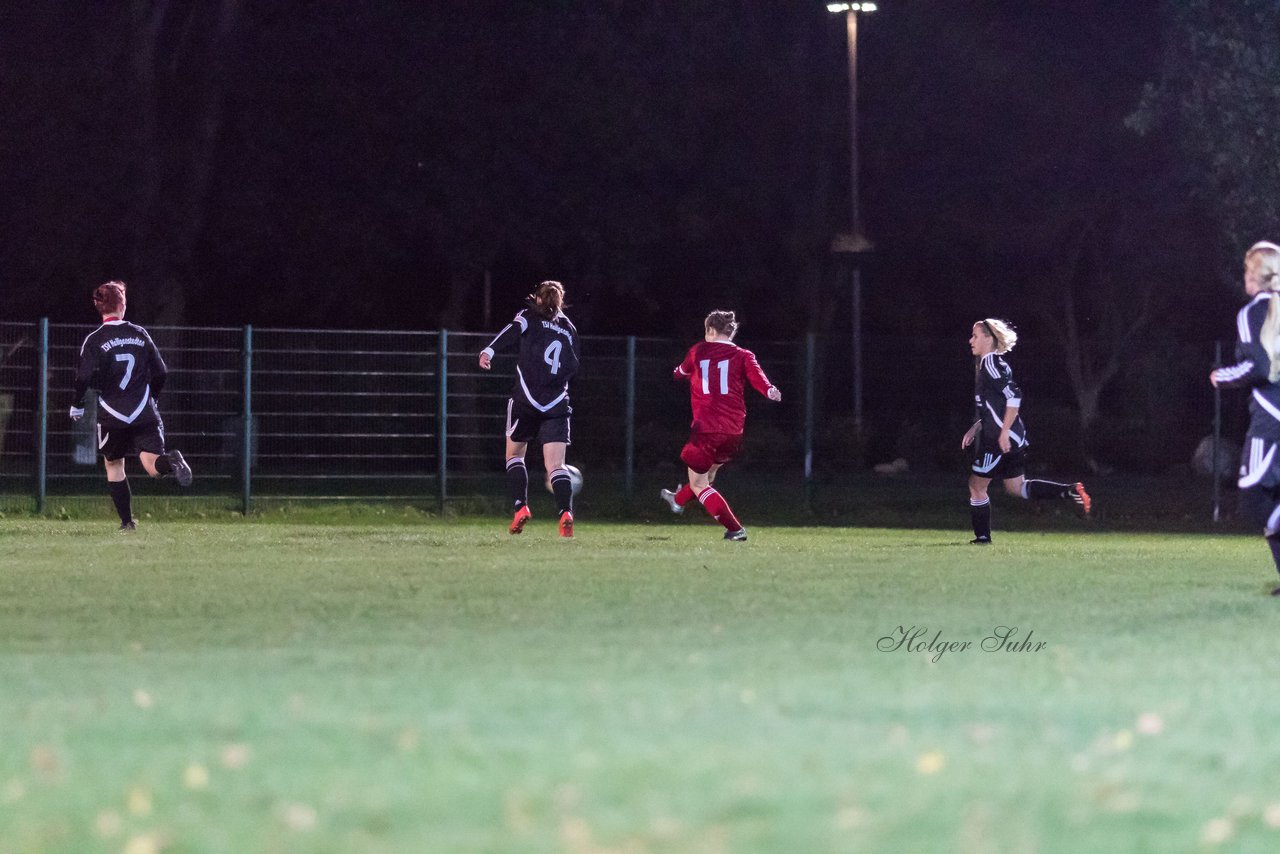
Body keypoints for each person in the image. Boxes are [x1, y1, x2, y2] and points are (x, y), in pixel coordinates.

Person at [70, 281, 193, 531]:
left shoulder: (94, 339)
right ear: (122, 305)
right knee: (154, 467)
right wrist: (153, 398)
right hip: (142, 410)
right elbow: (161, 371)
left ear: (99, 308)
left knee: (114, 465)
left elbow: (83, 376)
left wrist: (77, 404)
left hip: (112, 412)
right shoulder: (139, 333)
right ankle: (172, 461)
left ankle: (127, 523)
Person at [961, 318, 1090, 544]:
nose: (971, 340)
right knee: (1016, 488)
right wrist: (976, 427)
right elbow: (995, 406)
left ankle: (982, 538)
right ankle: (1069, 491)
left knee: (976, 484)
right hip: (1012, 435)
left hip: (1000, 438)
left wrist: (1003, 432)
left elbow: (1014, 397)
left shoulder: (990, 363)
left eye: (975, 336)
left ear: (989, 339)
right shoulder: (991, 364)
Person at [660, 310, 781, 541]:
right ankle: (677, 500)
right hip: (733, 431)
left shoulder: (698, 351)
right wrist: (769, 390)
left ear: (711, 331)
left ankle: (735, 529)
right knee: (709, 474)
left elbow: (680, 372)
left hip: (706, 428)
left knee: (699, 484)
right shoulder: (744, 355)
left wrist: (677, 372)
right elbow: (759, 379)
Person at [478, 280, 581, 537]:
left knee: (514, 456)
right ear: (560, 301)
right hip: (557, 402)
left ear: (537, 299)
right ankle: (566, 512)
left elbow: (511, 331)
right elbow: (573, 365)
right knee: (557, 466)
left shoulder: (528, 316)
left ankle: (520, 508)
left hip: (526, 399)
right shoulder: (569, 328)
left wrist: (489, 351)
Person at [1210, 241, 1280, 593]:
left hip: (1271, 419)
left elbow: (1260, 367)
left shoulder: (1253, 311)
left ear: (1255, 274)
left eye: (1247, 270)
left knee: (1253, 498)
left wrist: (1221, 376)